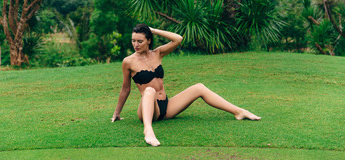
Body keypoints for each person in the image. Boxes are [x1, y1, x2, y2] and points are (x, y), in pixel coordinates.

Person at [111, 24, 261, 147]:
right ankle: (148, 130)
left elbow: (178, 39)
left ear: (149, 40)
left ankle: (238, 112)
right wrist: (117, 113)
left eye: (140, 41)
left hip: (166, 106)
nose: (135, 45)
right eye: (133, 41)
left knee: (199, 87)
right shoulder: (128, 62)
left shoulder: (158, 53)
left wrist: (153, 30)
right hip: (148, 110)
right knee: (149, 90)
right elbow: (126, 88)